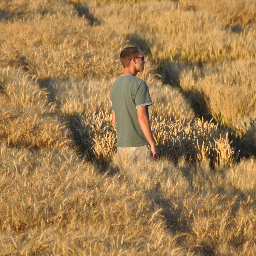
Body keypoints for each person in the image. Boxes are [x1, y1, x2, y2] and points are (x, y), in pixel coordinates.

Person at [111, 47, 159, 160]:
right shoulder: (139, 84)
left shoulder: (115, 84)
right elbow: (141, 117)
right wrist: (152, 144)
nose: (144, 61)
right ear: (134, 60)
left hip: (121, 147)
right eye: (142, 58)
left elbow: (114, 120)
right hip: (139, 147)